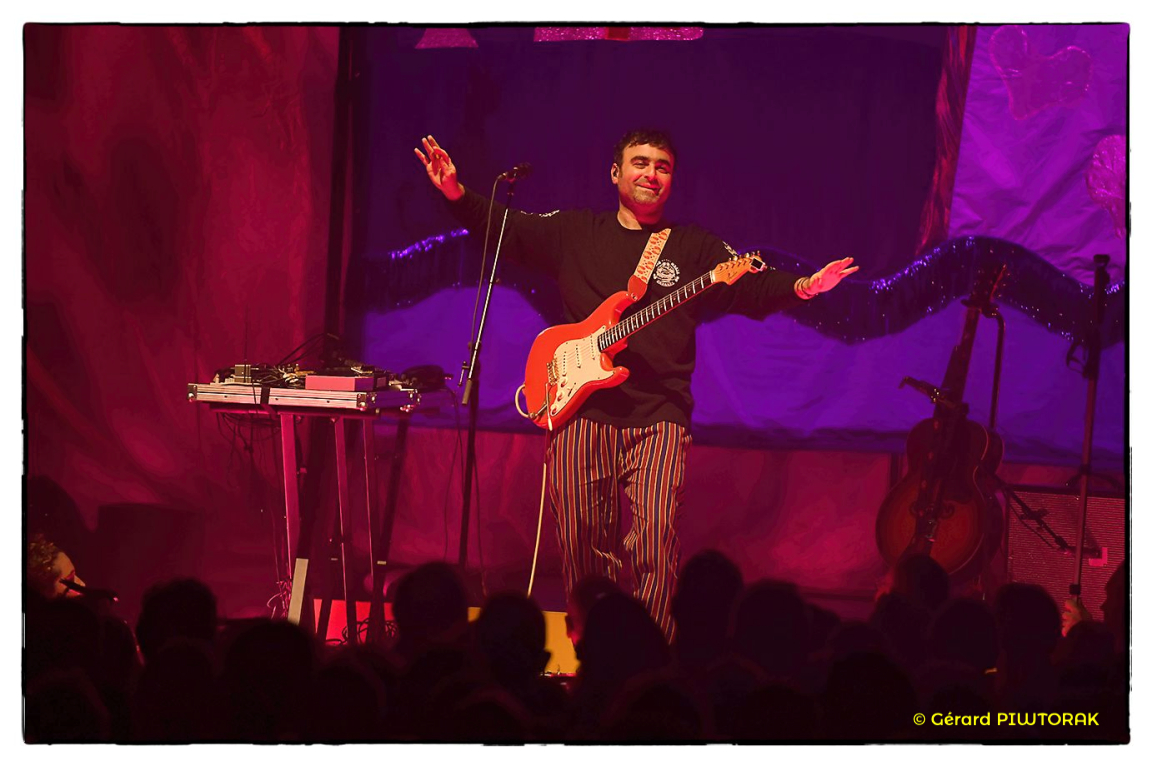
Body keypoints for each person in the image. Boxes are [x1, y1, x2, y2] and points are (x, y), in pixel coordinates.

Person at [415, 130, 857, 637]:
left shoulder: (692, 247)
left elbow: (752, 287)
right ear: (616, 173)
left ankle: (652, 653)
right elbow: (505, 229)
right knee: (583, 544)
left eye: (662, 167)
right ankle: (596, 650)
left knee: (654, 541)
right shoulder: (575, 232)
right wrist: (454, 192)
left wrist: (804, 286)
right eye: (640, 163)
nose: (651, 174)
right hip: (579, 411)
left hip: (659, 414)